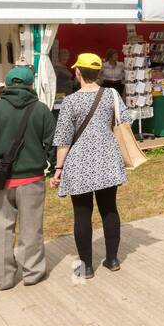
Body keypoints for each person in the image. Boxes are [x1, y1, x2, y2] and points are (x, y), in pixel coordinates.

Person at [0, 66, 56, 289]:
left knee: (1, 229)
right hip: (32, 179)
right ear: (30, 85)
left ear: (6, 85)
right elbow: (52, 143)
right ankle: (33, 273)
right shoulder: (41, 109)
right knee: (31, 228)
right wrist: (53, 166)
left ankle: (3, 278)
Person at [51, 53, 129, 279]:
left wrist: (58, 169)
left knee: (82, 214)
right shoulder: (111, 94)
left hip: (79, 163)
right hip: (107, 159)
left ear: (77, 73)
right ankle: (112, 259)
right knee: (109, 209)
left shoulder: (70, 101)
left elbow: (63, 139)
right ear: (98, 73)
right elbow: (125, 120)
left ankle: (85, 266)